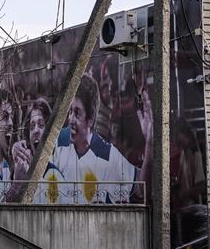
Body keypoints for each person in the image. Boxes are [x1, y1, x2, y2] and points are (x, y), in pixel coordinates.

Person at [51, 74, 151, 204]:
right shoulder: (57, 141)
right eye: (69, 111)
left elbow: (140, 188)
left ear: (91, 118)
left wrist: (150, 144)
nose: (70, 119)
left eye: (77, 113)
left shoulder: (107, 154)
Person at [10, 97, 66, 203]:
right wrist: (16, 183)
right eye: (31, 126)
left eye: (41, 125)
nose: (35, 130)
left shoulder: (54, 175)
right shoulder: (20, 168)